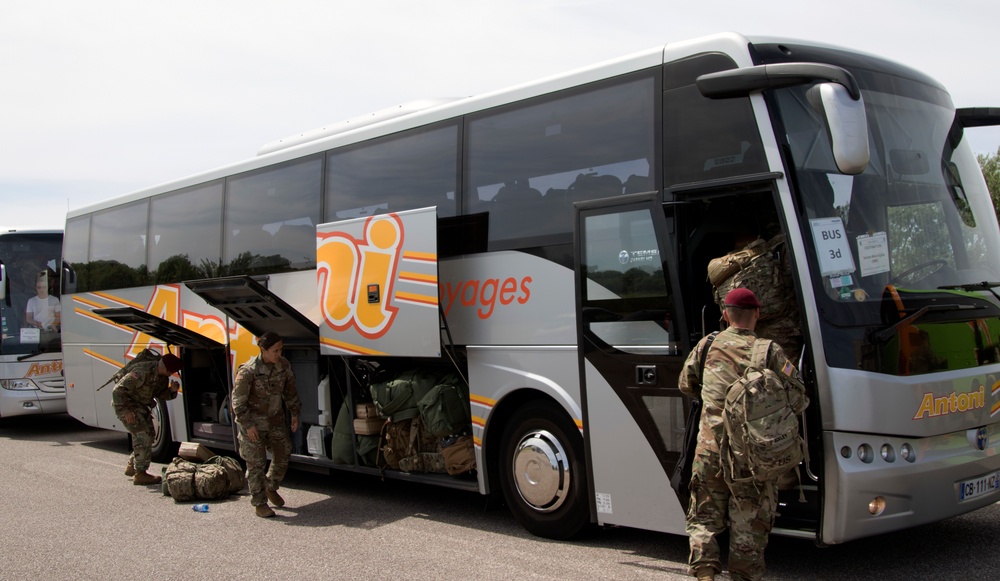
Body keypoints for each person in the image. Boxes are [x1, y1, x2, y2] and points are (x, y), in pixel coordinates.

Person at [678, 288, 806, 581]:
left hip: (710, 449)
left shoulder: (706, 345)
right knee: (749, 522)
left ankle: (705, 575)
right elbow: (799, 400)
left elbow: (686, 385)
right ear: (758, 314)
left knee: (704, 518)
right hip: (751, 455)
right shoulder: (769, 350)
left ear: (725, 315)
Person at [232, 331, 301, 518]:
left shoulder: (283, 366)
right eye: (275, 350)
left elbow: (290, 391)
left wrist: (295, 413)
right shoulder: (248, 371)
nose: (279, 354)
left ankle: (270, 486)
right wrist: (248, 425)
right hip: (253, 425)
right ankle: (259, 503)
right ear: (263, 350)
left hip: (275, 421)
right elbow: (238, 402)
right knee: (256, 464)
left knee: (284, 453)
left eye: (280, 350)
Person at [113, 351, 183, 485]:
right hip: (125, 405)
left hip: (140, 406)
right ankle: (140, 474)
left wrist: (172, 391)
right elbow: (117, 391)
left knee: (150, 435)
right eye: (172, 371)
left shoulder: (162, 377)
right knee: (143, 435)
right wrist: (127, 411)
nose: (172, 374)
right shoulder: (141, 372)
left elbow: (161, 394)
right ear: (166, 369)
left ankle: (133, 465)